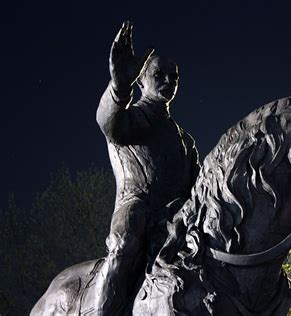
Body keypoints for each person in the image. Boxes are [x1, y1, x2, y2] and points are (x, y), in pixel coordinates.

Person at [95, 21, 200, 314]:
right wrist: (118, 87)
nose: (168, 80)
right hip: (136, 209)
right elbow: (107, 122)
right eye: (159, 75)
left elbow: (197, 187)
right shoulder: (130, 119)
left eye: (174, 76)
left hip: (177, 217)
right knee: (124, 247)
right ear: (141, 81)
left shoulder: (185, 140)